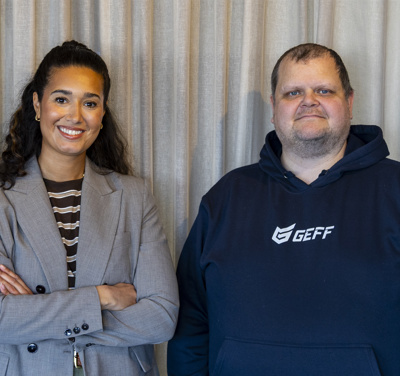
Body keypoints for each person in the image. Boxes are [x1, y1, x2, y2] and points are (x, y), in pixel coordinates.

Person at [167, 43, 400, 376]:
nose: (309, 101)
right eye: (293, 93)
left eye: (324, 90)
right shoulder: (227, 197)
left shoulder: (393, 190)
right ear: (274, 108)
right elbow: (191, 321)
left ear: (349, 102)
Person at [0, 41, 178, 376]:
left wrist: (38, 315)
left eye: (90, 103)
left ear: (102, 113)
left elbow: (161, 318)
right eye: (61, 99)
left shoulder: (134, 197)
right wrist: (101, 297)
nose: (75, 116)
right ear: (37, 104)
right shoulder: (3, 201)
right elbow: (2, 320)